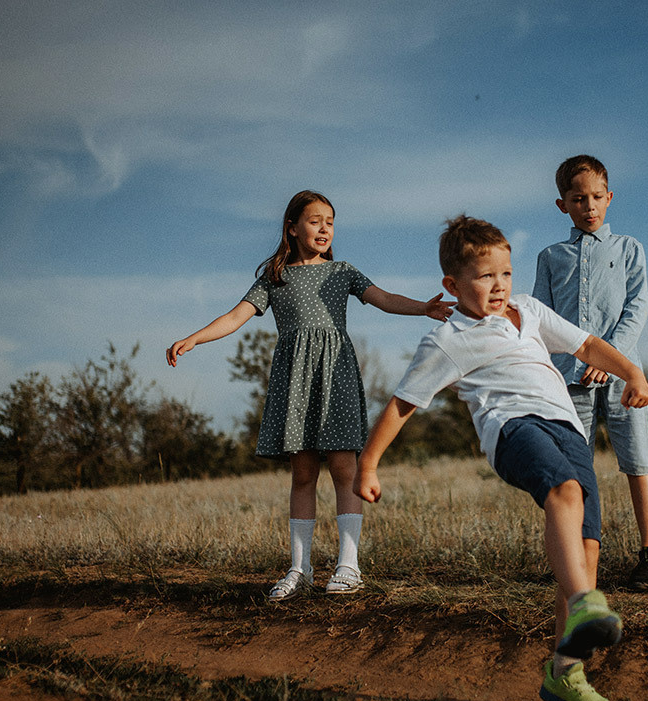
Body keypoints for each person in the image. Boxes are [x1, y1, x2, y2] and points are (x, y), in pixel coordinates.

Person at [354, 215, 648, 701]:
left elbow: (584, 345)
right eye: (485, 276)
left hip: (567, 429)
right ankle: (585, 603)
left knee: (584, 546)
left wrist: (632, 370)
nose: (499, 286)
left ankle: (565, 673)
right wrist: (368, 466)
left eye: (506, 274)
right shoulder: (448, 337)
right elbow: (403, 404)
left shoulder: (530, 311)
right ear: (452, 284)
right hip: (513, 428)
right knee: (563, 492)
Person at [167, 190, 452, 599]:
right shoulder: (274, 277)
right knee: (302, 474)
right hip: (294, 381)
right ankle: (300, 570)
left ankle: (348, 566)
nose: (324, 228)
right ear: (293, 228)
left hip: (335, 373)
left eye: (330, 222)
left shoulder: (343, 272)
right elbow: (235, 316)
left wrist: (424, 308)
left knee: (343, 469)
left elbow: (384, 299)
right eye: (315, 220)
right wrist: (194, 339)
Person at [533, 155, 648, 592]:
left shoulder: (630, 249)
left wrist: (608, 358)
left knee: (638, 462)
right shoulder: (551, 257)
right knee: (575, 467)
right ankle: (579, 555)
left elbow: (636, 309)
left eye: (596, 197)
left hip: (625, 379)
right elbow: (542, 318)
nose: (588, 206)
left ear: (609, 198)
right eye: (578, 199)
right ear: (563, 205)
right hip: (569, 382)